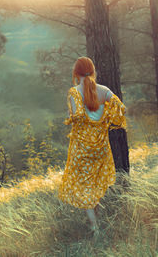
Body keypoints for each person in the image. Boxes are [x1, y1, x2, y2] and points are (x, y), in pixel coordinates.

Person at [58, 57, 127, 236]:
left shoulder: (74, 92)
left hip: (83, 150)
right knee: (94, 184)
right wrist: (107, 121)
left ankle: (95, 228)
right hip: (101, 148)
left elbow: (73, 117)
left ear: (75, 73)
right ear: (93, 71)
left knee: (86, 186)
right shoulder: (104, 91)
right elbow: (120, 107)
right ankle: (96, 220)